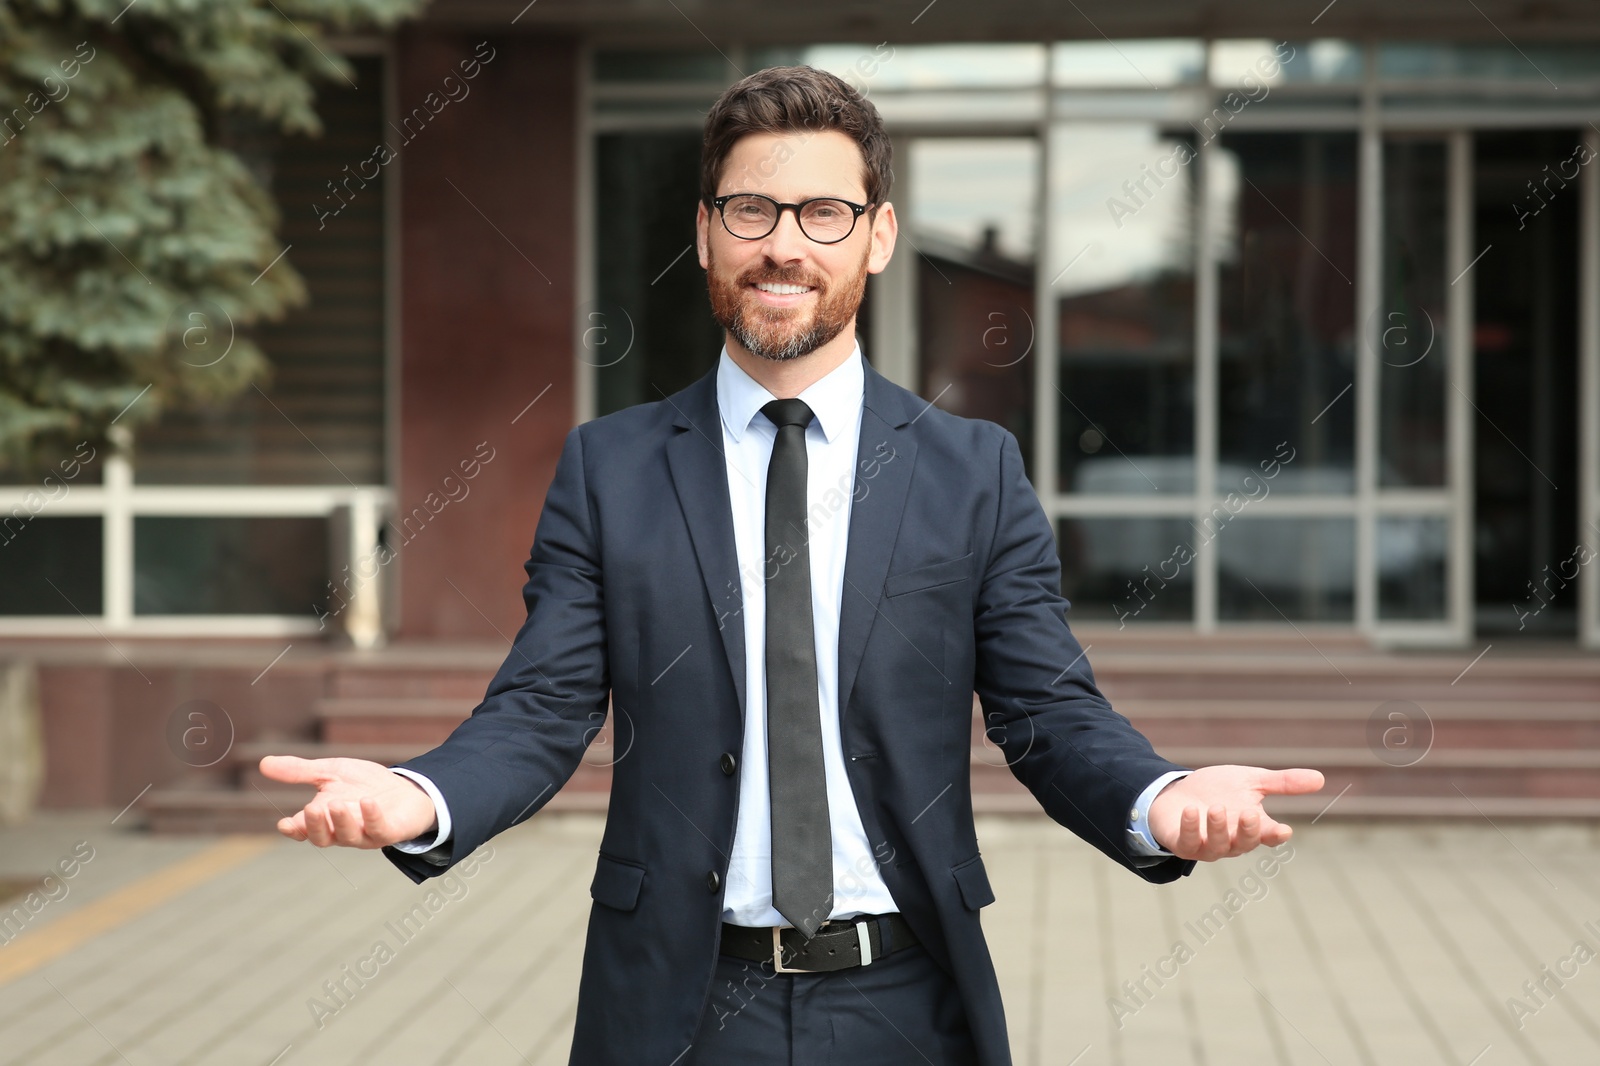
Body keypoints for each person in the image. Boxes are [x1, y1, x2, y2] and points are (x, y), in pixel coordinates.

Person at [261, 64, 1324, 1066]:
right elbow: (542, 708)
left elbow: (1047, 711)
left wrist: (1159, 796)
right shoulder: (611, 468)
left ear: (878, 236)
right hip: (674, 1003)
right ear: (707, 233)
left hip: (904, 1002)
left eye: (824, 213)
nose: (784, 245)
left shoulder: (972, 472)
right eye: (750, 211)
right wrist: (421, 793)